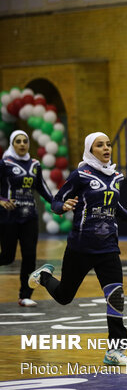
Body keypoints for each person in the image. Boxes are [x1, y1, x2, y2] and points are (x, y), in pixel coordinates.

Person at [28, 132, 127, 366]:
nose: (106, 148)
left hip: (108, 247)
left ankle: (114, 351)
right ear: (90, 150)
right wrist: (61, 207)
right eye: (100, 145)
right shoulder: (81, 174)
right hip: (81, 246)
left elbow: (114, 205)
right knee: (65, 296)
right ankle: (45, 276)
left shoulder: (116, 175)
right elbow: (57, 200)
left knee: (116, 296)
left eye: (108, 144)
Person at [0, 130, 54, 307]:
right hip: (9, 217)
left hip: (30, 217)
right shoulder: (5, 163)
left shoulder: (35, 164)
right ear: (12, 144)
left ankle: (25, 295)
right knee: (7, 257)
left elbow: (43, 188)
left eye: (25, 141)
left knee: (30, 257)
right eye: (18, 141)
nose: (22, 144)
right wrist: (1, 200)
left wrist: (57, 204)